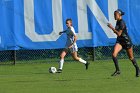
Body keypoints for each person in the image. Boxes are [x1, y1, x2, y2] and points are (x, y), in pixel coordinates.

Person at [107, 9, 140, 77]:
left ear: (119, 15)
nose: (114, 16)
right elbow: (119, 35)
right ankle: (118, 70)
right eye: (114, 15)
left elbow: (119, 33)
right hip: (120, 41)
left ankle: (137, 69)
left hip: (126, 42)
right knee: (114, 54)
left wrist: (112, 28)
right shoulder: (118, 21)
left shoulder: (122, 22)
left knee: (131, 58)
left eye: (115, 15)